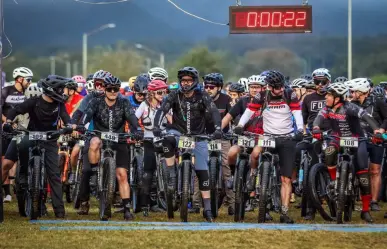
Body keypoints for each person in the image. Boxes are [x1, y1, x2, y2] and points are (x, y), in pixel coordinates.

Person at [153, 67, 222, 222]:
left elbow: (214, 111)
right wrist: (156, 126)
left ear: (195, 82)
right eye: (183, 80)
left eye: (189, 80)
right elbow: (162, 110)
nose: (186, 83)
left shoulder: (203, 95)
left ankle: (208, 209)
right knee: (167, 140)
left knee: (202, 171)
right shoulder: (174, 95)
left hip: (199, 137)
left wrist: (218, 128)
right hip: (178, 134)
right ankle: (171, 173)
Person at [236, 70, 303, 224]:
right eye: (277, 87)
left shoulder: (289, 94)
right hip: (267, 136)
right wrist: (240, 125)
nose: (280, 89)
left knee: (286, 179)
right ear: (269, 87)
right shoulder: (262, 96)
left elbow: (297, 113)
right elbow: (249, 111)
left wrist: (299, 129)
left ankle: (284, 212)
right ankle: (254, 178)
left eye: (281, 86)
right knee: (257, 156)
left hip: (287, 138)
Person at [4, 75, 75, 218]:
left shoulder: (59, 104)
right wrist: (8, 122)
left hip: (50, 139)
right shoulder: (34, 101)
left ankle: (59, 211)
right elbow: (16, 110)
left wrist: (70, 126)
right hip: (31, 135)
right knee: (23, 145)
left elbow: (66, 118)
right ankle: (23, 174)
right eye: (60, 89)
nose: (62, 92)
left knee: (54, 174)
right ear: (51, 90)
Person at [312, 82, 383, 223]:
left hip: (358, 139)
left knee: (363, 176)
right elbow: (318, 120)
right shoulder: (327, 108)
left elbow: (367, 118)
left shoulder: (350, 107)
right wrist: (315, 128)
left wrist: (376, 131)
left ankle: (365, 210)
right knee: (329, 151)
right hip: (337, 138)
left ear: (337, 98)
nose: (326, 97)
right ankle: (333, 182)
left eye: (329, 95)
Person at [77, 76, 143, 221]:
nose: (112, 92)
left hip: (119, 139)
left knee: (122, 175)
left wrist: (137, 129)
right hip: (100, 136)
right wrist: (82, 124)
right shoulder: (96, 102)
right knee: (93, 142)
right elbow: (87, 115)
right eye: (109, 89)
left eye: (115, 89)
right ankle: (95, 172)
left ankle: (126, 208)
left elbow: (132, 117)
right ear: (105, 90)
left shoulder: (124, 102)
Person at [346, 78, 387, 211]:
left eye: (353, 91)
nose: (351, 94)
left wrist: (381, 130)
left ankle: (374, 201)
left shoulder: (377, 102)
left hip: (375, 139)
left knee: (374, 171)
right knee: (358, 168)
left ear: (361, 91)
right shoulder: (351, 103)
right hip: (358, 139)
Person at [136, 79, 170, 216]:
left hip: (164, 139)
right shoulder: (144, 105)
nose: (163, 94)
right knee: (148, 172)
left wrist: (166, 112)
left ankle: (162, 201)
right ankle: (145, 204)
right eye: (160, 92)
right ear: (151, 93)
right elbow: (134, 118)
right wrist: (137, 129)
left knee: (166, 170)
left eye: (165, 92)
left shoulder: (167, 105)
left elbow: (173, 121)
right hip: (149, 140)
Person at [203, 73, 235, 215]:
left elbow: (235, 116)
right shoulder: (200, 99)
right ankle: (197, 203)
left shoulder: (227, 99)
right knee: (200, 168)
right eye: (206, 86)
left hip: (223, 138)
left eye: (212, 87)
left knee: (227, 168)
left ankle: (233, 203)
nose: (208, 89)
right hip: (204, 138)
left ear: (219, 88)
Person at [1, 67, 33, 202]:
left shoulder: (28, 93)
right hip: (7, 130)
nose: (30, 83)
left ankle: (17, 189)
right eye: (28, 80)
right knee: (5, 162)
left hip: (23, 131)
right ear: (20, 79)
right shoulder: (6, 91)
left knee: (21, 160)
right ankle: (5, 191)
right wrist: (8, 122)